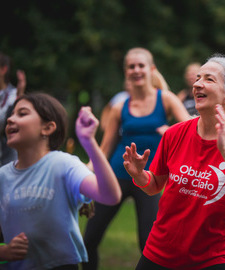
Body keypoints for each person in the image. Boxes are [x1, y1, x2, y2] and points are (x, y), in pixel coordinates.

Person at [123, 54, 225, 269]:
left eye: (209, 79)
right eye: (198, 78)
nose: (198, 84)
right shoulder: (175, 134)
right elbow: (154, 186)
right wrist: (140, 175)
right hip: (161, 251)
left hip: (212, 258)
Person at [82, 47, 190, 269]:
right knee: (88, 241)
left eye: (141, 65)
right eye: (131, 66)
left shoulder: (166, 99)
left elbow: (191, 128)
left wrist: (170, 130)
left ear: (151, 69)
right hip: (118, 176)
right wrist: (86, 168)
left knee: (148, 244)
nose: (136, 70)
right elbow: (105, 148)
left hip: (151, 179)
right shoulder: (120, 107)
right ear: (126, 72)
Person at [0, 93, 121, 269]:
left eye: (22, 113)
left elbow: (109, 195)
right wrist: (4, 252)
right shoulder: (3, 176)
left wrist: (89, 142)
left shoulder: (63, 164)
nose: (10, 119)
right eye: (11, 114)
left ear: (47, 128)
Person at [0, 52, 27, 167]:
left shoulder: (12, 95)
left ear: (3, 69)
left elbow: (4, 122)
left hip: (7, 158)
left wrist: (20, 95)